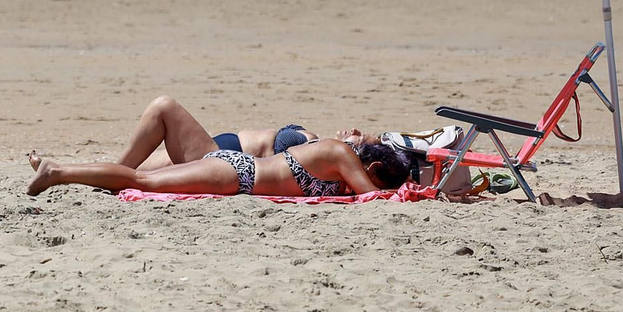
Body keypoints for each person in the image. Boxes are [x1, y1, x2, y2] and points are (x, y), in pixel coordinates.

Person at [25, 95, 412, 197]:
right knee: (141, 182)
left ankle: (63, 172)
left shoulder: (335, 160)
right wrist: (415, 193)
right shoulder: (340, 154)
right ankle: (58, 173)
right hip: (237, 172)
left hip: (235, 171)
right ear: (374, 170)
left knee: (142, 179)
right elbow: (369, 197)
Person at [120, 96, 371, 171]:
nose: (355, 131)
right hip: (218, 145)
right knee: (130, 168)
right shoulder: (318, 143)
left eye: (360, 138)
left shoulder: (322, 154)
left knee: (164, 108)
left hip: (220, 158)